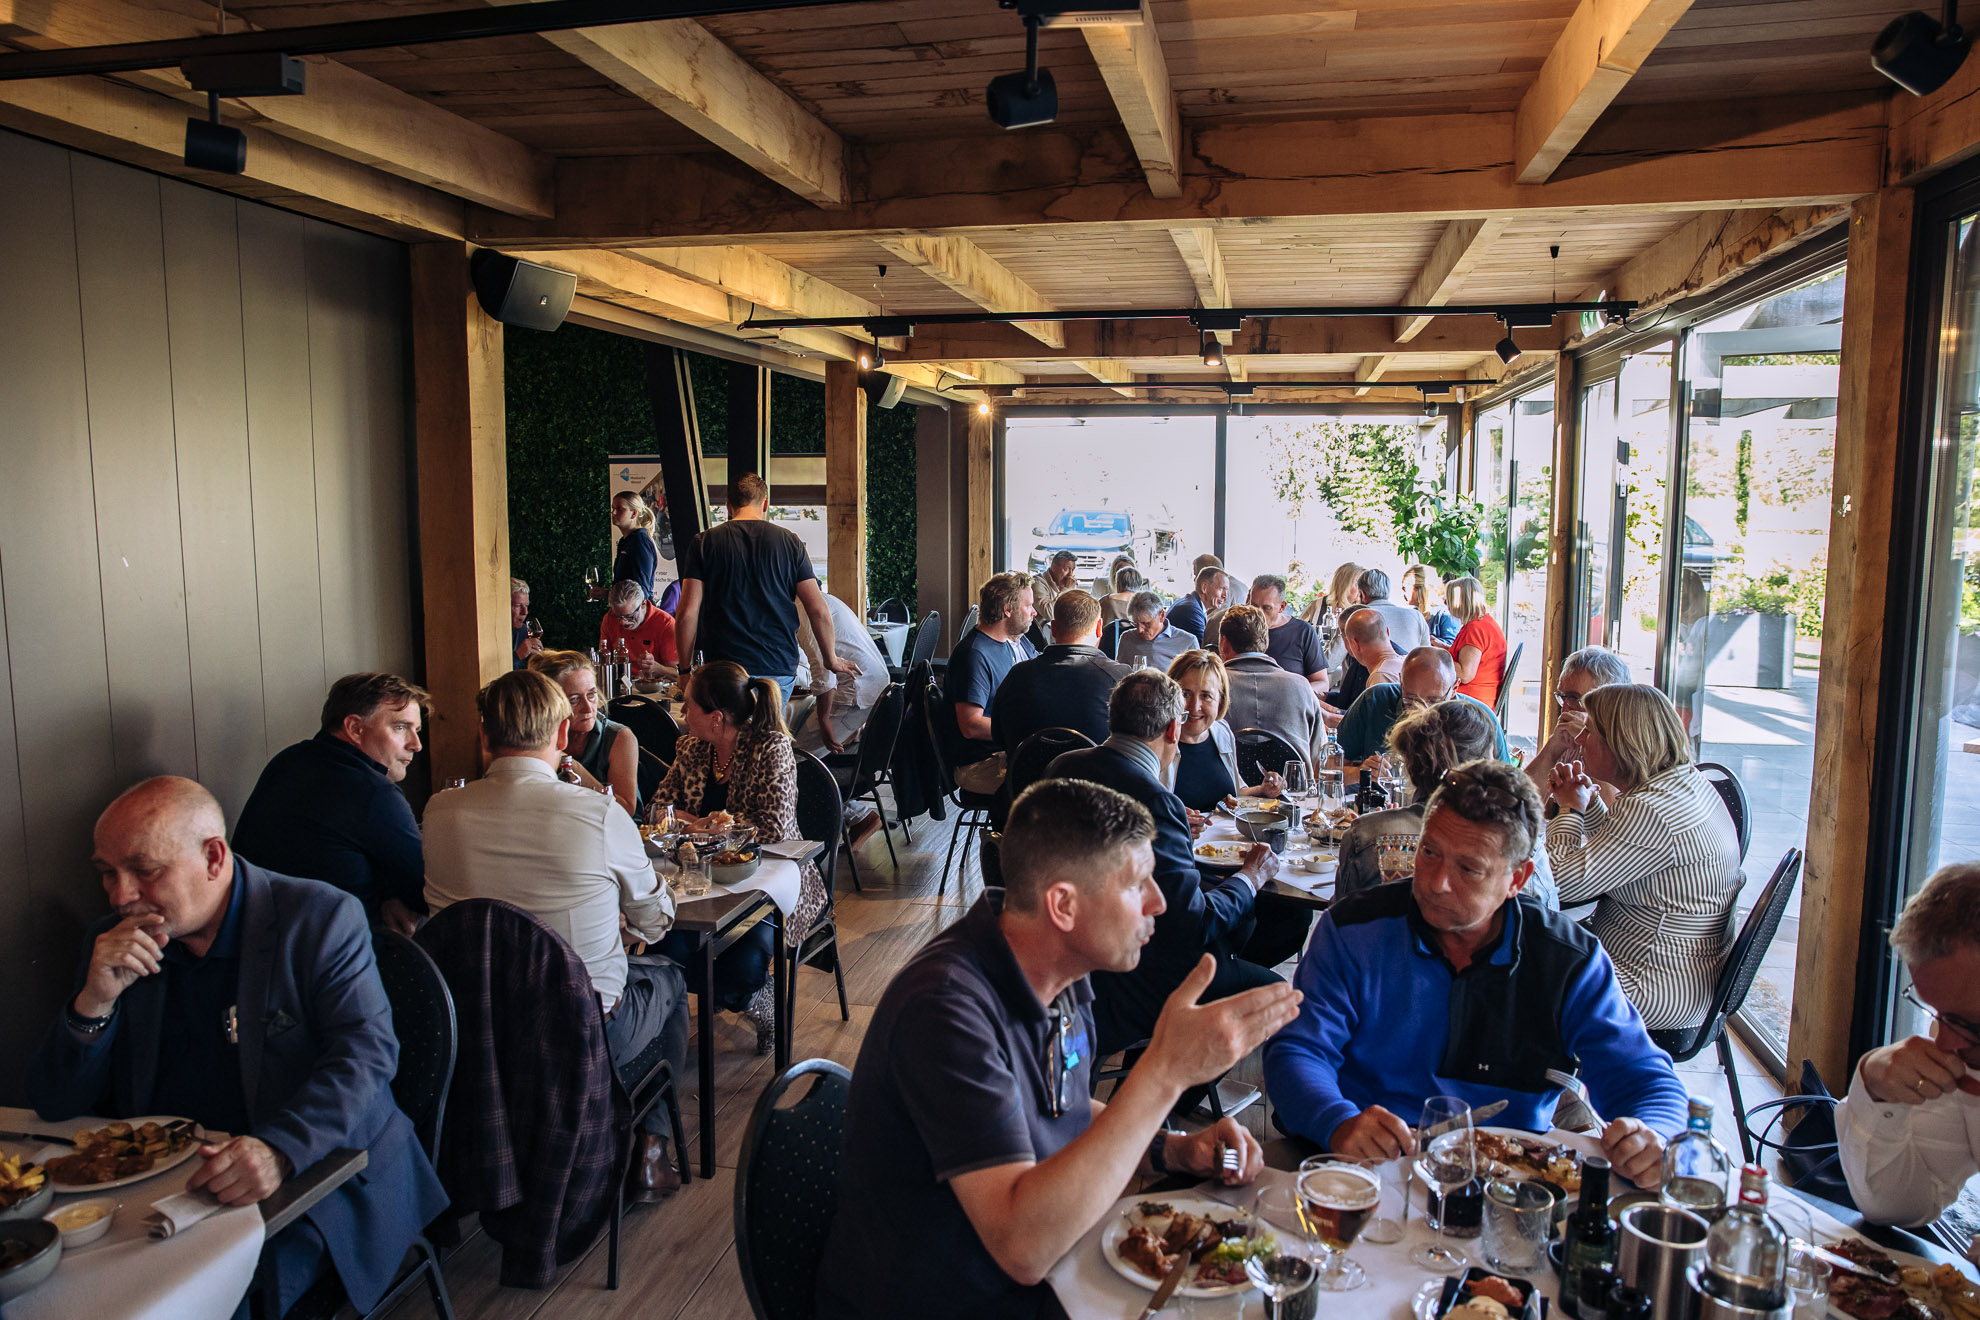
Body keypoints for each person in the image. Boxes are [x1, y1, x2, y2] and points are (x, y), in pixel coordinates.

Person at [814, 779, 1303, 1320]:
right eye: (1136, 883)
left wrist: (1174, 1149)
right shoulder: (944, 1012)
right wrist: (1163, 1074)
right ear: (1063, 905)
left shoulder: (1058, 967)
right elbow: (1022, 1249)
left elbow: (1062, 1109)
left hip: (1044, 1268)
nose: (1159, 902)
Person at [30, 777, 449, 1318]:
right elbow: (55, 1103)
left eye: (144, 870)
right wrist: (95, 1002)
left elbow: (365, 1058)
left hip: (316, 1178)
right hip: (166, 1190)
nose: (120, 896)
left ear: (213, 857)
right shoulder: (113, 944)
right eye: (108, 873)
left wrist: (278, 1149)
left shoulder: (318, 918)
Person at [1263, 760, 1690, 1187]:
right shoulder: (1354, 929)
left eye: (1468, 869)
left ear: (1517, 879)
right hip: (1368, 1168)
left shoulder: (1567, 960)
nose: (1436, 883)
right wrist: (1337, 1121)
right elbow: (1297, 1052)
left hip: (1509, 1181)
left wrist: (1654, 1136)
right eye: (1429, 853)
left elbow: (1646, 1081)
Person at [422, 669, 687, 1199]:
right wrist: (615, 919)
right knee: (670, 982)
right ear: (563, 734)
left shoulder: (439, 811)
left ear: (484, 736)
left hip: (473, 1030)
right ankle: (649, 1152)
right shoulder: (599, 813)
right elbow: (657, 922)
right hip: (575, 1032)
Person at [1047, 672, 1282, 1057]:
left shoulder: (1062, 767)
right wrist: (1251, 876)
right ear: (1173, 729)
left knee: (1243, 935)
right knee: (1282, 995)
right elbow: (1194, 924)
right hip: (1134, 977)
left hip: (1067, 963)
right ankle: (1170, 1085)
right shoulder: (1155, 801)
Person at [646, 662, 829, 1054]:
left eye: (689, 705)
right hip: (696, 881)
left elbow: (774, 829)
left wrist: (707, 826)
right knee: (665, 952)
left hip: (768, 883)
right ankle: (708, 1007)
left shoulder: (770, 749)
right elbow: (658, 810)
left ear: (716, 718)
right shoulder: (691, 749)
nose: (682, 712)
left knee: (740, 969)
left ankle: (756, 999)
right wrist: (703, 823)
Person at [1545, 684, 1742, 1032]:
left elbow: (1557, 883)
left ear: (1620, 742)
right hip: (1688, 976)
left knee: (1512, 960)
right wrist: (1587, 802)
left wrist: (1569, 811)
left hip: (1651, 985)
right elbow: (1630, 852)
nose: (1580, 738)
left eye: (1590, 731)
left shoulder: (1652, 810)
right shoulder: (1684, 783)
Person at [1837, 862, 1980, 1226]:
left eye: (1970, 1025)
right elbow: (1899, 1206)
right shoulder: (1961, 1050)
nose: (1944, 1041)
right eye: (1938, 1014)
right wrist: (1876, 1091)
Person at [233, 673, 430, 936]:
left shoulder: (287, 760)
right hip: (334, 948)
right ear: (355, 728)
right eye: (400, 727)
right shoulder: (372, 791)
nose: (416, 745)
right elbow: (426, 891)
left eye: (416, 730)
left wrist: (388, 894)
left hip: (252, 938)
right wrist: (393, 897)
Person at [1336, 700, 1556, 907]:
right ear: (1484, 765)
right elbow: (1546, 915)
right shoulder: (1521, 844)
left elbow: (1344, 920)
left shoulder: (1366, 834)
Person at [674, 472, 857, 702]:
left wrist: (684, 670)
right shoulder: (791, 543)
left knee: (726, 726)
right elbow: (818, 610)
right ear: (765, 504)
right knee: (770, 727)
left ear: (728, 506)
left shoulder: (704, 543)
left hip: (724, 669)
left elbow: (687, 613)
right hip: (777, 666)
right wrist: (831, 659)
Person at [994, 589, 1128, 756]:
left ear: (1053, 629)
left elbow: (999, 737)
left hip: (1028, 772)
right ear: (1099, 628)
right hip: (1097, 772)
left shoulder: (1017, 676)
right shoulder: (1121, 679)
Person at [1335, 646, 1508, 766]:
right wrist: (1361, 773)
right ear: (1401, 682)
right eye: (1411, 700)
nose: (1421, 711)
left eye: (1434, 701)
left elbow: (1506, 785)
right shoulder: (1374, 701)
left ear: (1454, 688)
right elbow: (1329, 769)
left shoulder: (1479, 719)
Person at [946, 572, 1039, 791]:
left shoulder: (1008, 643)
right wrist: (1024, 731)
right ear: (1007, 609)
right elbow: (971, 725)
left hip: (1006, 751)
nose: (1034, 612)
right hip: (979, 764)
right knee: (1054, 782)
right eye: (1028, 606)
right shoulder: (974, 655)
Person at [1167, 649, 1284, 814]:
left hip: (1224, 831)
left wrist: (1261, 790)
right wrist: (1175, 821)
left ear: (1220, 701)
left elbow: (1234, 792)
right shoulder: (1156, 739)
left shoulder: (1221, 732)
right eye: (1185, 694)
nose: (1194, 706)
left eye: (1206, 696)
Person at [528, 650, 640, 817]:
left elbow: (625, 810)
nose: (588, 708)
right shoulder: (533, 740)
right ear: (548, 703)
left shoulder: (619, 737)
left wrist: (570, 765)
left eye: (591, 695)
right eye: (574, 699)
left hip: (611, 826)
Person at [1217, 605, 1324, 772]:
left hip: (1229, 786)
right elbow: (1320, 756)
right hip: (1292, 785)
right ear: (1265, 642)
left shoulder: (1211, 687)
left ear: (1224, 644)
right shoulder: (1301, 686)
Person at [1526, 645, 1632, 805]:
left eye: (1575, 698)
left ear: (1608, 702)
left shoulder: (1628, 744)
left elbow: (1614, 813)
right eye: (1563, 697)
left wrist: (1591, 742)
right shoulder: (1569, 736)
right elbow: (1522, 802)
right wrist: (1553, 748)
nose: (1565, 709)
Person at [791, 588, 890, 756]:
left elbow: (824, 674)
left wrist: (824, 720)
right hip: (876, 683)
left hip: (857, 693)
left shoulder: (805, 610)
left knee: (795, 754)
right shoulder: (825, 599)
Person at [1247, 574, 1328, 686]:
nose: (1258, 613)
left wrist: (1296, 692)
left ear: (1282, 607)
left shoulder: (1303, 632)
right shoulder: (1239, 628)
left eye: (1267, 608)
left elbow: (1321, 682)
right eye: (1254, 606)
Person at [1446, 574, 1509, 710]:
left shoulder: (1475, 629)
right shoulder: (1486, 623)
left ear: (1460, 601)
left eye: (1449, 599)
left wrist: (1437, 658)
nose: (1447, 604)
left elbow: (1465, 674)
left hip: (1469, 702)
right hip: (1482, 699)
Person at [599, 578, 680, 681]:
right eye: (618, 616)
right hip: (619, 683)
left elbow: (678, 674)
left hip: (654, 686)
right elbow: (604, 660)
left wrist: (657, 668)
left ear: (643, 604)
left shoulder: (665, 623)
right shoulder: (609, 619)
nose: (623, 622)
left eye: (629, 616)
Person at [1327, 607, 1404, 713]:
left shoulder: (1380, 677)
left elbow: (1372, 722)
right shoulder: (1406, 661)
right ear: (1387, 631)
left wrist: (1327, 712)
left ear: (1354, 644)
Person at [598, 489, 661, 603]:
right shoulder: (625, 541)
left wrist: (610, 594)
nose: (613, 513)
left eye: (619, 509)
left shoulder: (640, 542)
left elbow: (641, 591)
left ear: (634, 513)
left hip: (636, 611)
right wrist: (608, 593)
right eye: (613, 508)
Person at [1355, 567, 1432, 651]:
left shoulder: (1356, 617)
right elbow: (1427, 653)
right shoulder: (1416, 616)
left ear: (1362, 594)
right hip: (1411, 659)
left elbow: (1342, 654)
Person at [1116, 590, 1194, 670]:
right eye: (1135, 624)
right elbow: (1119, 674)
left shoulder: (1188, 642)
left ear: (1162, 616)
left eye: (1146, 624)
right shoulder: (1127, 638)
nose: (1140, 630)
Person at [1320, 561, 1364, 672]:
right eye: (1358, 585)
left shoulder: (1361, 613)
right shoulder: (1318, 606)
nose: (1362, 590)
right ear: (1345, 585)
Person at [1167, 564, 1228, 643]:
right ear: (1204, 588)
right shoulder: (1190, 610)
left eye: (1226, 590)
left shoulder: (1192, 604)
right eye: (1221, 589)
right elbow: (1203, 647)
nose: (1225, 596)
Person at [1405, 564, 1461, 645]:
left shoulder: (1445, 614)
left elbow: (1451, 645)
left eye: (1405, 588)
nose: (1403, 593)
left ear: (1420, 589)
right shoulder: (1413, 613)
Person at [511, 577, 541, 669]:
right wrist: (517, 656)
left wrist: (538, 660)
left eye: (526, 606)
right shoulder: (490, 636)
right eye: (518, 606)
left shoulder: (525, 631)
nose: (525, 612)